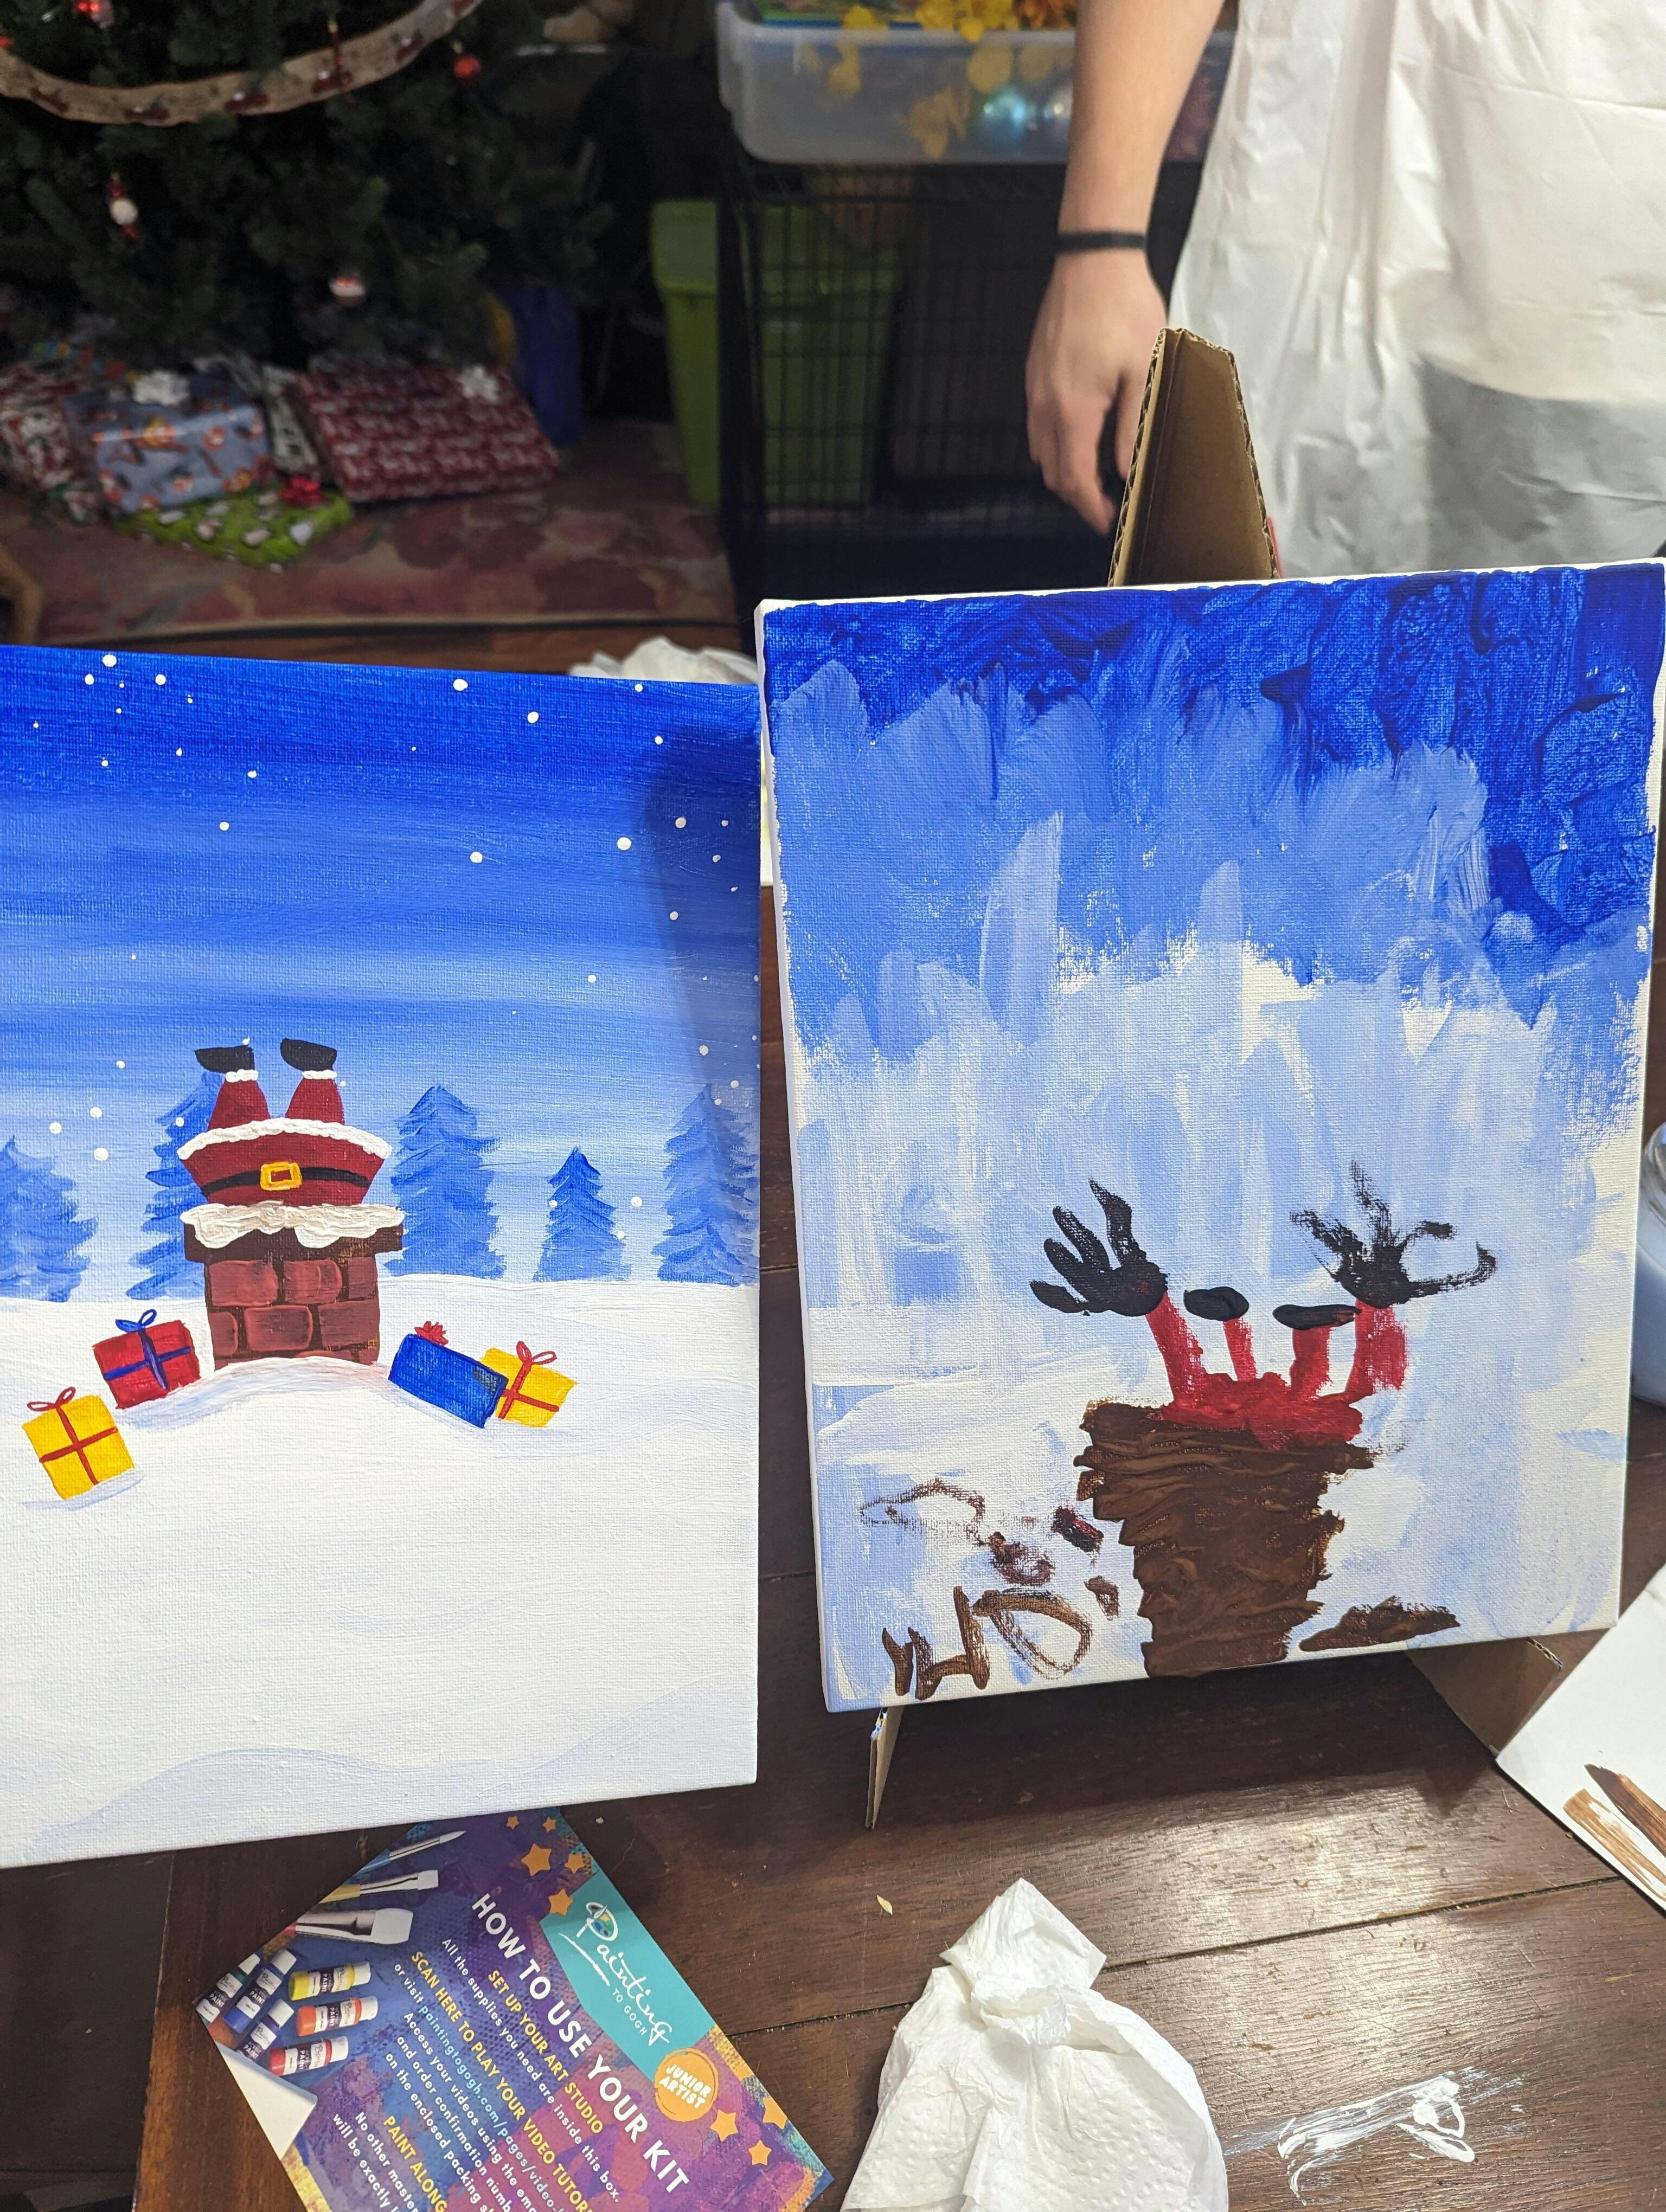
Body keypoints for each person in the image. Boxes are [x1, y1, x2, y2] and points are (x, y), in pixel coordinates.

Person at [1027, 0, 1666, 575]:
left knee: (1588, 632)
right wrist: (1100, 242)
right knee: (1266, 629)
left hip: (1613, 273)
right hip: (1333, 217)